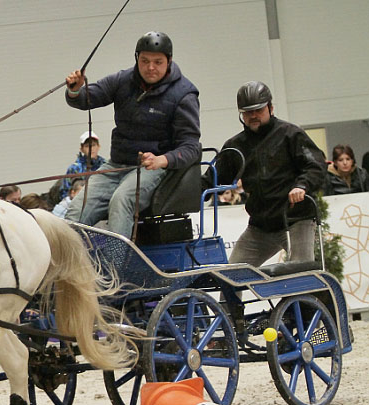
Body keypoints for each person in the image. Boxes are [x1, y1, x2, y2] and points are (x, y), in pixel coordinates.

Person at [63, 31, 201, 237]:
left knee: (121, 201)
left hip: (153, 168)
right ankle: (68, 266)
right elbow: (86, 99)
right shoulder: (122, 80)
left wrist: (162, 160)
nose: (150, 67)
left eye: (157, 62)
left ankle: (117, 266)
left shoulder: (184, 94)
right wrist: (75, 90)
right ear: (137, 58)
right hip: (116, 164)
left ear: (169, 61)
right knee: (76, 211)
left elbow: (191, 147)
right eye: (144, 61)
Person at [208, 81, 327, 266]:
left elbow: (316, 165)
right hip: (260, 227)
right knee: (231, 276)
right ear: (241, 114)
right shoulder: (235, 146)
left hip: (296, 220)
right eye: (248, 112)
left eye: (258, 110)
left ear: (270, 108)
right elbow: (212, 179)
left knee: (303, 276)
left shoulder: (291, 134)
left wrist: (301, 185)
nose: (253, 115)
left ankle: (317, 295)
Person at [60, 131, 106, 200]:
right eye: (87, 146)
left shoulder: (105, 166)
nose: (91, 149)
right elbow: (64, 193)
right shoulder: (74, 169)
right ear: (81, 149)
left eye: (93, 145)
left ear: (99, 147)